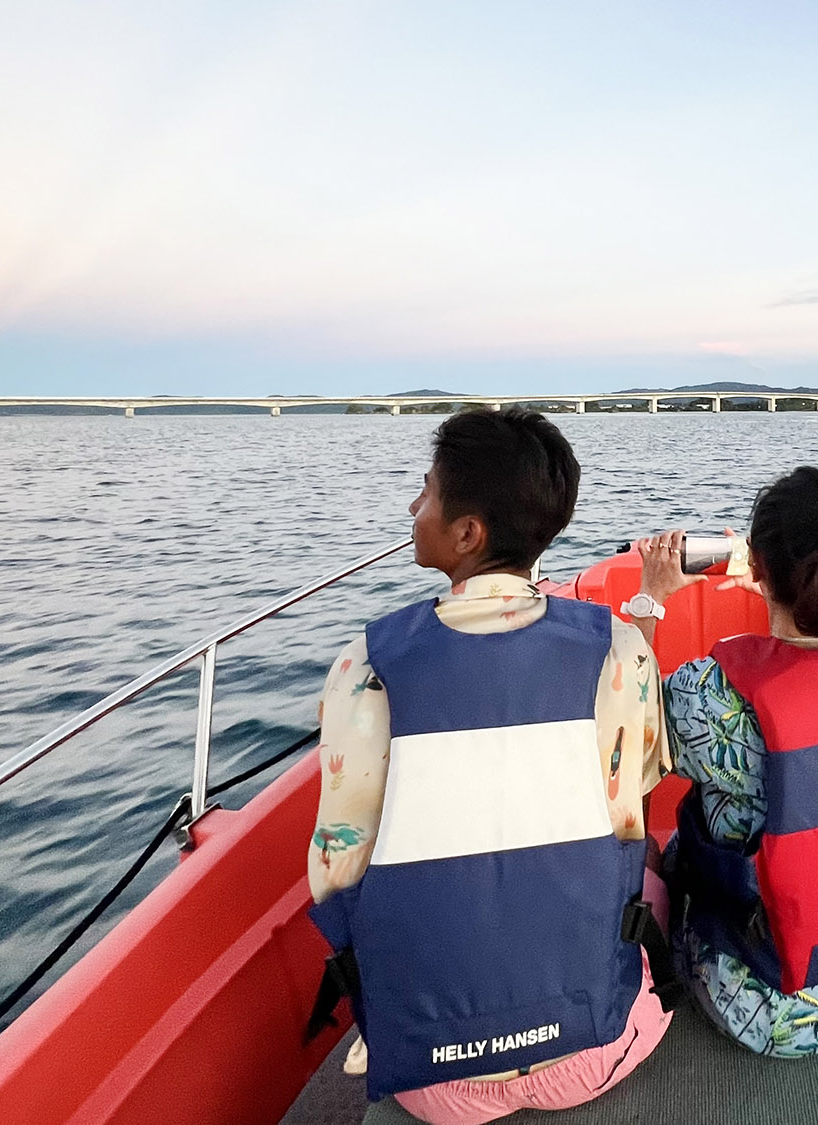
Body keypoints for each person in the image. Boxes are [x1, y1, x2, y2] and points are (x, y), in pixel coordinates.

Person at [305, 408, 675, 1125]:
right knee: (655, 878)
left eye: (427, 492)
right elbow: (629, 814)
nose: (415, 508)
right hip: (592, 1052)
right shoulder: (621, 651)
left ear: (468, 533)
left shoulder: (366, 669)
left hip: (435, 1084)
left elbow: (335, 875)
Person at [629, 466, 818, 1058]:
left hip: (765, 1011)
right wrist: (778, 590)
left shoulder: (714, 699)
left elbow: (628, 723)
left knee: (651, 854)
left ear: (762, 570)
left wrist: (651, 596)